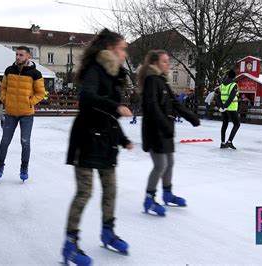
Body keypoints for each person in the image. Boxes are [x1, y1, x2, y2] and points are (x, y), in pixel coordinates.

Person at [63, 29, 133, 265]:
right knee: (85, 192)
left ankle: (108, 232)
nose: (125, 53)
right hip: (86, 139)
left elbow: (109, 115)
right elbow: (87, 98)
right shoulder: (95, 69)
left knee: (110, 189)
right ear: (110, 49)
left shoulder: (113, 75)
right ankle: (70, 244)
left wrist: (122, 139)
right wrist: (115, 107)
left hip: (105, 141)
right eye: (122, 48)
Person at [139, 50, 200, 217]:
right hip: (155, 131)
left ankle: (167, 193)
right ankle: (149, 199)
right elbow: (152, 107)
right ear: (155, 63)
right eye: (165, 62)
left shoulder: (162, 81)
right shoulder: (151, 81)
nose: (169, 64)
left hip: (164, 130)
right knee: (160, 165)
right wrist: (165, 125)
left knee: (170, 162)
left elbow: (174, 103)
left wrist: (191, 116)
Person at [0, 46, 45, 181]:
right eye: (16, 54)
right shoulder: (9, 70)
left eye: (21, 55)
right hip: (10, 112)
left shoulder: (36, 74)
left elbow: (40, 93)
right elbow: (3, 88)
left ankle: (24, 168)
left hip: (26, 114)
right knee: (5, 141)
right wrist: (5, 100)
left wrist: (30, 102)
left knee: (25, 142)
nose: (18, 57)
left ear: (28, 56)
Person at [216, 69, 240, 149]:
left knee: (225, 124)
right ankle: (229, 142)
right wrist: (225, 106)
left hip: (224, 108)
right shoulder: (234, 85)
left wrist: (221, 106)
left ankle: (222, 143)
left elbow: (218, 96)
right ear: (234, 76)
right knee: (237, 124)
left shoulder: (222, 85)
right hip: (231, 108)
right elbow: (231, 97)